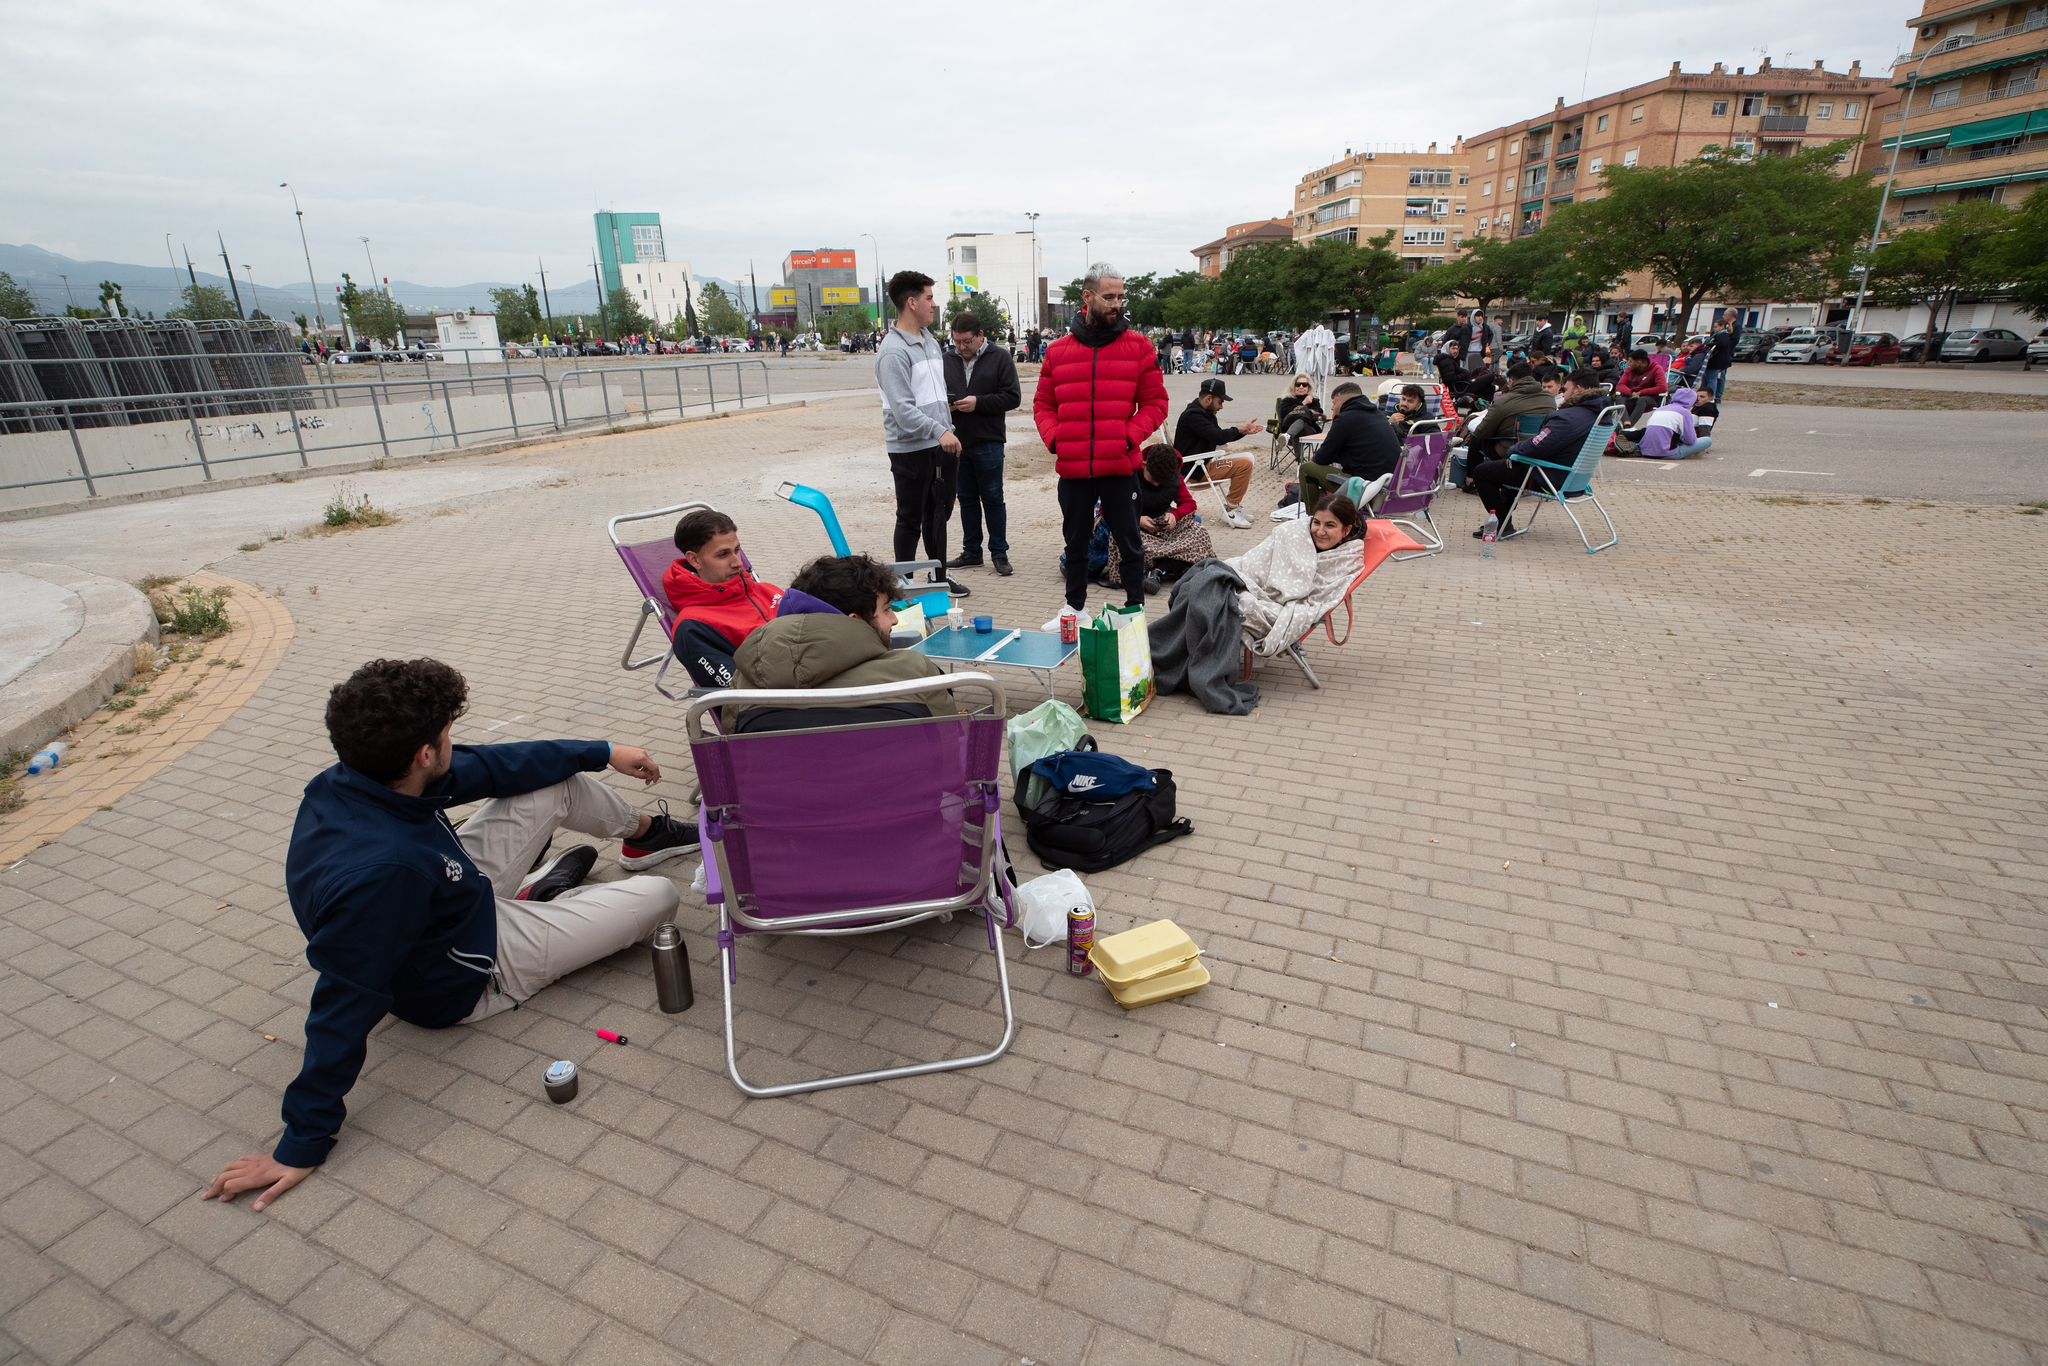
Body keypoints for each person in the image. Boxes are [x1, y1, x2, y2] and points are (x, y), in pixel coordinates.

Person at [202, 658, 694, 1213]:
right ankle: (546, 899)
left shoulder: (356, 779)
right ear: (423, 755)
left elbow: (493, 766)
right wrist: (301, 1141)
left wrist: (602, 751)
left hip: (450, 892)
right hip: (472, 968)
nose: (453, 744)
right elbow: (344, 997)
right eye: (447, 736)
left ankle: (641, 837)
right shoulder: (381, 875)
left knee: (554, 780)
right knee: (658, 898)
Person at [1033, 263, 1170, 625]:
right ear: (1088, 297)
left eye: (1121, 297)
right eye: (1109, 297)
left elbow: (1156, 403)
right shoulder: (1058, 352)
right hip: (1074, 468)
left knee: (1130, 543)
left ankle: (1134, 612)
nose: (1117, 304)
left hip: (1119, 466)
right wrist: (1056, 438)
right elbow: (1043, 404)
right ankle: (1074, 609)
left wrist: (1128, 435)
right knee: (1075, 543)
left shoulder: (1138, 347)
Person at [732, 554, 955, 724]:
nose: (894, 619)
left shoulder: (744, 684)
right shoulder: (913, 673)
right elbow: (950, 742)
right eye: (886, 610)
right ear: (854, 621)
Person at [876, 270, 969, 599]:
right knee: (910, 518)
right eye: (929, 298)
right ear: (912, 303)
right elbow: (903, 410)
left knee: (939, 514)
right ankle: (903, 585)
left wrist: (947, 426)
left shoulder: (929, 342)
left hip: (941, 443)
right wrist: (939, 429)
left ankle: (938, 577)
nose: (934, 304)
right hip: (911, 448)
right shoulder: (893, 352)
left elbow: (934, 394)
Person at [1469, 368, 1610, 537]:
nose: (1563, 394)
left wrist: (1514, 450)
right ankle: (1505, 521)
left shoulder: (1568, 417)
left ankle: (1501, 523)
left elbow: (1537, 446)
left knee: (1484, 472)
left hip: (1550, 477)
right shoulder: (1602, 414)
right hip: (1577, 478)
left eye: (1566, 389)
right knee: (1509, 466)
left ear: (1578, 389)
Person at [1231, 495, 1368, 657]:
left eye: (1330, 525)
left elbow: (1317, 597)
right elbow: (1255, 561)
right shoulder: (1294, 533)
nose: (1320, 531)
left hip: (1276, 605)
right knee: (1213, 578)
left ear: (1346, 530)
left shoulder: (1345, 559)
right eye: (1316, 522)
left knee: (1224, 603)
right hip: (1241, 576)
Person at [663, 509, 785, 687]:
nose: (738, 563)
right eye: (723, 554)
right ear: (695, 560)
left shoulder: (766, 590)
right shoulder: (693, 627)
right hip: (789, 697)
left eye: (737, 550)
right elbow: (739, 689)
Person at [942, 313, 1020, 578]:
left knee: (993, 498)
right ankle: (971, 551)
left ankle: (999, 552)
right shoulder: (947, 360)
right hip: (957, 442)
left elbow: (1012, 397)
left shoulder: (1000, 358)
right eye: (957, 342)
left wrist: (979, 403)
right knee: (966, 499)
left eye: (966, 341)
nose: (961, 347)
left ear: (980, 336)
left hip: (988, 441)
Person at [1107, 443, 1218, 594]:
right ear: (1144, 465)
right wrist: (1136, 519)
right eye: (1153, 479)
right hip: (1132, 525)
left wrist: (1175, 516)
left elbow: (1189, 503)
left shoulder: (1174, 474)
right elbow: (1109, 507)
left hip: (1161, 527)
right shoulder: (1128, 472)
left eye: (1162, 480)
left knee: (1199, 532)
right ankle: (1170, 567)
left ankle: (1158, 571)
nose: (1157, 484)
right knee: (1123, 539)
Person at [1293, 380, 1401, 515]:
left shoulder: (1345, 418)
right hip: (1393, 485)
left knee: (1306, 468)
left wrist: (1336, 421)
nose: (1332, 408)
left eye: (1333, 403)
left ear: (1340, 399)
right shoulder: (1377, 414)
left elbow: (1320, 459)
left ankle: (1316, 517)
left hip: (1369, 488)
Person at [1172, 377, 1260, 529]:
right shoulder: (1194, 416)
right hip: (1194, 470)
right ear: (1208, 399)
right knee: (1244, 464)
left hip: (1202, 463)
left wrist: (1244, 431)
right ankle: (1231, 510)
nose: (1221, 407)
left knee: (1249, 457)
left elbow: (1218, 436)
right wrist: (1238, 429)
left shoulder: (1203, 413)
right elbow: (1219, 436)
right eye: (1220, 402)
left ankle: (1233, 507)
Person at [1461, 361, 1556, 466]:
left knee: (1476, 438)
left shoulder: (1504, 401)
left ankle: (1472, 474)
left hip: (1511, 452)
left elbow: (1481, 432)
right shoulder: (1550, 400)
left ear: (1511, 380)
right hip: (1540, 450)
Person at [1633, 387, 1713, 460]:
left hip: (1645, 451)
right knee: (1707, 440)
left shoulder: (1660, 409)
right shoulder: (1685, 412)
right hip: (1666, 453)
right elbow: (1690, 441)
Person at [1614, 349, 1667, 422]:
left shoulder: (1656, 369)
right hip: (1632, 395)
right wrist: (1631, 393)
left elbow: (1662, 387)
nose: (1629, 364)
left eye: (1631, 361)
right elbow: (1620, 385)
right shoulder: (1630, 369)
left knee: (1642, 400)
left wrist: (1641, 393)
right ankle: (1626, 423)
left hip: (1650, 398)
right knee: (1618, 399)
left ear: (1640, 362)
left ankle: (1629, 425)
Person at [1276, 375, 1325, 451]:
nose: (1301, 387)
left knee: (1303, 418)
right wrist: (1303, 403)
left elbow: (1318, 413)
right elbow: (1284, 413)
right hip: (1288, 427)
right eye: (1298, 384)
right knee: (1303, 414)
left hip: (1308, 430)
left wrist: (1306, 411)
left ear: (1308, 387)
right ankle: (1300, 457)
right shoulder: (1287, 400)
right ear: (1293, 386)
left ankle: (1287, 437)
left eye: (1304, 385)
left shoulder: (1314, 400)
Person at [1701, 314, 1737, 404]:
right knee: (1709, 379)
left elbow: (1722, 344)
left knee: (1711, 379)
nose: (1714, 328)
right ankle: (1708, 396)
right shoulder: (1721, 334)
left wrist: (1709, 345)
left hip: (1716, 361)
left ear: (1722, 327)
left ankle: (1710, 397)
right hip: (1718, 361)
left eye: (1716, 327)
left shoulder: (1722, 335)